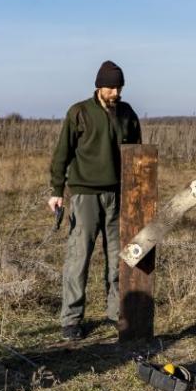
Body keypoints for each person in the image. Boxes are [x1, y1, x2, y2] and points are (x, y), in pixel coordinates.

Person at [48, 60, 141, 340]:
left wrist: (135, 193)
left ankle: (116, 313)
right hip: (85, 194)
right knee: (79, 257)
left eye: (119, 87)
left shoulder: (127, 114)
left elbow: (136, 155)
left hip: (118, 195)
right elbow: (62, 153)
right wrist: (56, 190)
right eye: (111, 87)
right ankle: (72, 319)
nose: (115, 92)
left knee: (119, 259)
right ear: (99, 86)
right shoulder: (79, 112)